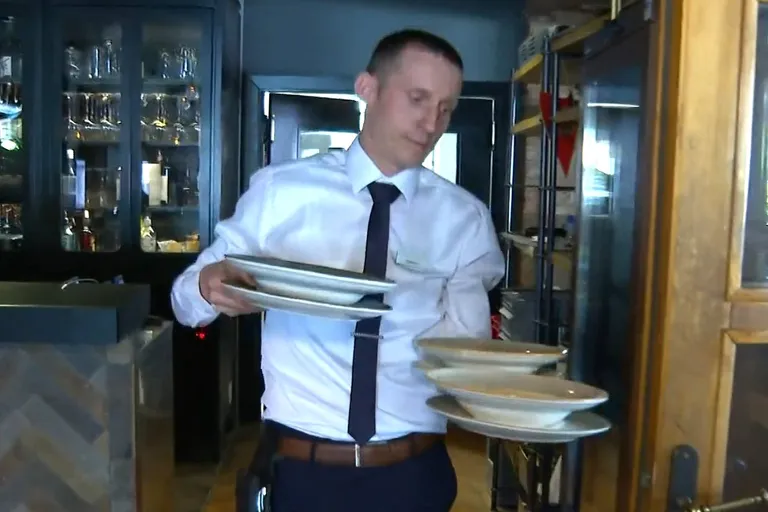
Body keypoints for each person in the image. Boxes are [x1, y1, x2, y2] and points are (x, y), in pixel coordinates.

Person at [171, 28, 505, 512]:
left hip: (414, 474)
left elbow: (466, 348)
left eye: (446, 108)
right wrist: (208, 286)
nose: (431, 122)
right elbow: (186, 302)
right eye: (417, 98)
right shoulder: (281, 192)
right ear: (367, 88)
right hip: (301, 473)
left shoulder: (465, 219)